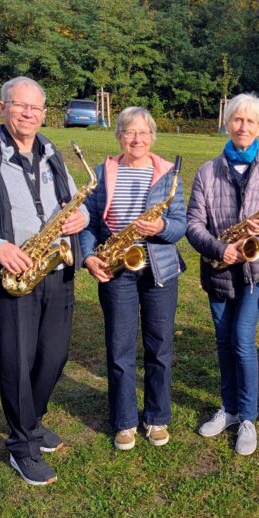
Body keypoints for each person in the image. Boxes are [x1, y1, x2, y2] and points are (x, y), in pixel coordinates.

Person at [0, 76, 88, 485]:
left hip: (57, 270)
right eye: (19, 105)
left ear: (44, 113)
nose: (28, 113)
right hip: (13, 274)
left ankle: (32, 420)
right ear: (2, 107)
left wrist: (83, 219)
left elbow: (77, 204)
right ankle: (22, 445)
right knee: (17, 361)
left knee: (54, 356)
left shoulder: (53, 153)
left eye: (36, 108)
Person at [186, 93, 259, 456]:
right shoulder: (207, 171)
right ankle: (229, 408)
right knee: (222, 342)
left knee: (242, 339)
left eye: (250, 121)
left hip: (256, 270)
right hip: (218, 267)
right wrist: (221, 249)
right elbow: (193, 224)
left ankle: (247, 416)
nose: (243, 127)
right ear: (228, 123)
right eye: (237, 120)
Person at [78, 107, 186, 451]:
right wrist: (88, 255)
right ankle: (124, 421)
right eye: (129, 132)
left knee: (160, 347)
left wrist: (163, 227)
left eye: (143, 132)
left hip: (159, 269)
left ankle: (157, 417)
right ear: (119, 137)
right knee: (119, 348)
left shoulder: (169, 175)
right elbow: (89, 222)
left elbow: (180, 223)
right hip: (116, 269)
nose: (136, 138)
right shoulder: (103, 172)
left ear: (152, 136)